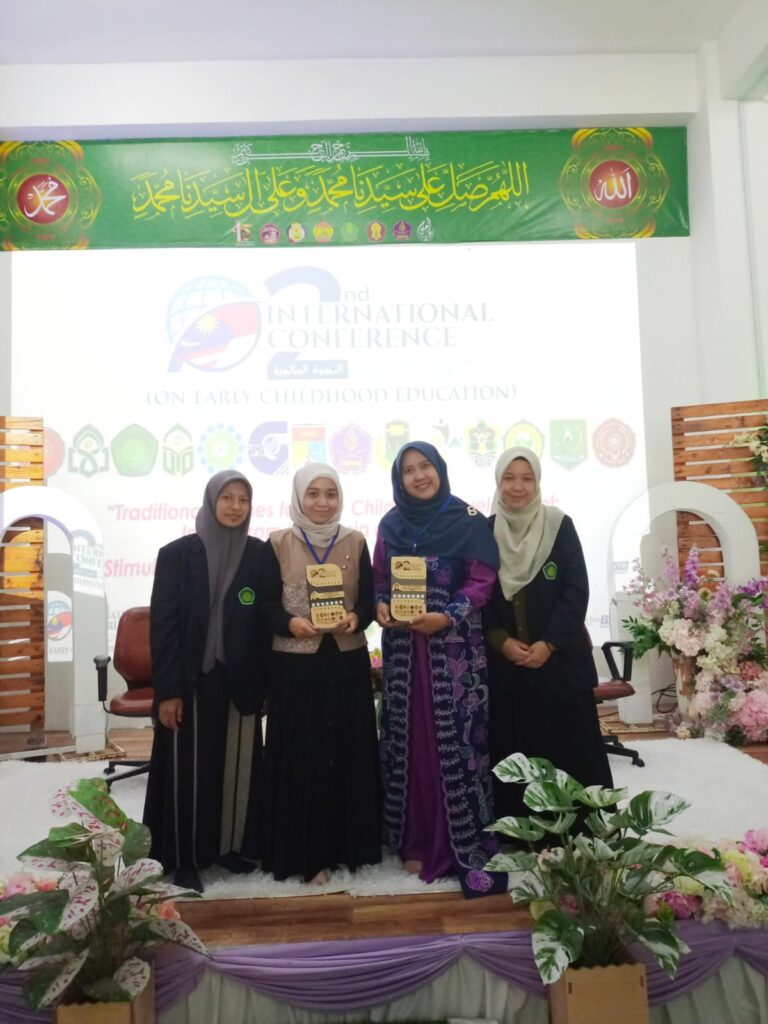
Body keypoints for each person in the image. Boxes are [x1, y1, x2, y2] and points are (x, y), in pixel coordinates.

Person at [374, 442, 504, 896]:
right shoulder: (390, 524)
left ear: (440, 469)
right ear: (399, 479)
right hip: (404, 653)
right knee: (409, 741)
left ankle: (456, 839)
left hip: (453, 653)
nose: (419, 476)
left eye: (425, 466)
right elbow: (379, 579)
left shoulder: (467, 520)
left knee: (454, 741)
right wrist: (380, 604)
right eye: (408, 470)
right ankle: (413, 837)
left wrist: (447, 616)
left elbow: (483, 581)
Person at [143, 470, 267, 893]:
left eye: (243, 499)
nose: (235, 506)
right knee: (187, 772)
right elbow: (164, 629)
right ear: (212, 501)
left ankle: (230, 848)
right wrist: (168, 692)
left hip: (239, 681)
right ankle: (184, 858)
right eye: (227, 498)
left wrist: (264, 684)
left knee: (235, 768)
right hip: (190, 682)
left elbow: (262, 622)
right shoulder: (177, 555)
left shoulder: (258, 554)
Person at [260, 464, 381, 885]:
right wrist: (289, 623)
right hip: (295, 667)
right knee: (303, 760)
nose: (323, 502)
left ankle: (350, 846)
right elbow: (265, 607)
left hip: (346, 664)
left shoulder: (355, 540)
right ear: (298, 497)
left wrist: (358, 617)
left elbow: (369, 599)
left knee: (348, 755)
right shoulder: (277, 543)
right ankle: (305, 854)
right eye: (313, 493)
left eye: (331, 493)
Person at [484, 447, 613, 821]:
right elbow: (479, 594)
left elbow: (575, 591)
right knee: (516, 752)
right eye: (509, 478)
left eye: (527, 478)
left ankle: (581, 829)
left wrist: (549, 643)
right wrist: (501, 641)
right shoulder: (485, 532)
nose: (518, 487)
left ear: (538, 482)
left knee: (569, 748)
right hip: (508, 669)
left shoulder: (559, 525)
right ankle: (523, 830)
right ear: (498, 482)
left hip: (559, 665)